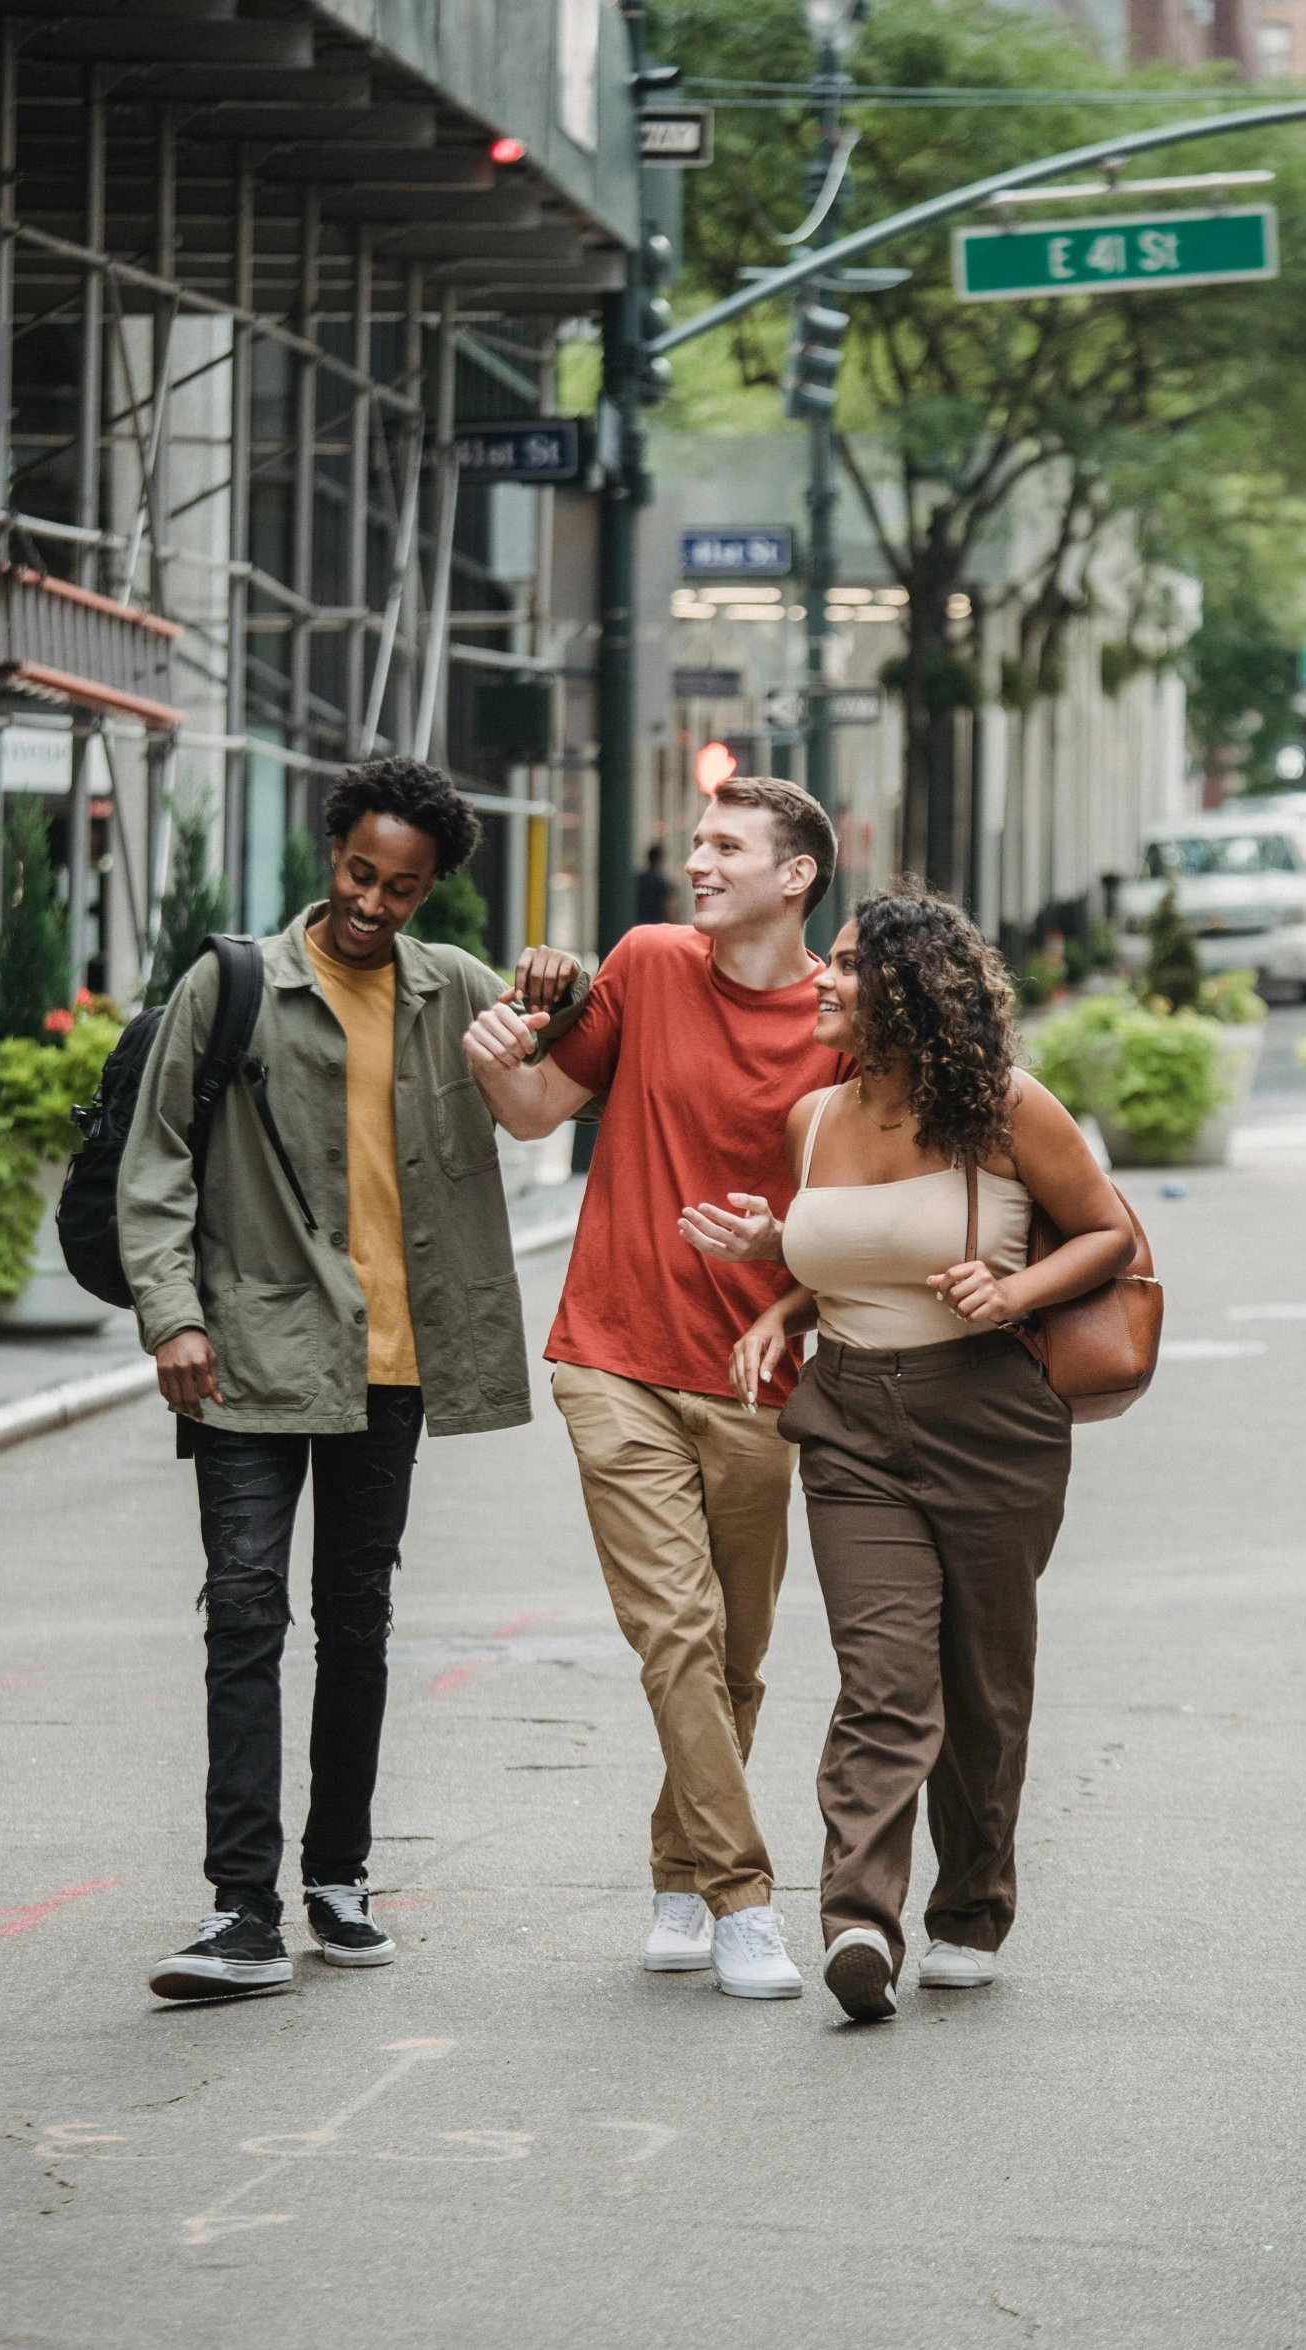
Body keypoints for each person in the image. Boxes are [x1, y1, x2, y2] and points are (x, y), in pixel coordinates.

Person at [119, 755, 586, 2001]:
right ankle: (240, 1908)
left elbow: (570, 1061)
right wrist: (171, 1317)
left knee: (358, 1623)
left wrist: (565, 977)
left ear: (434, 889)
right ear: (331, 853)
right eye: (359, 873)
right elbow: (157, 1163)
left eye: (404, 885)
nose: (375, 902)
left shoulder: (455, 995)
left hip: (395, 1362)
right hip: (250, 1354)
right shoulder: (231, 986)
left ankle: (338, 1875)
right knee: (245, 1611)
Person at [461, 778, 849, 1999]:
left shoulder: (844, 1020)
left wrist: (778, 1252)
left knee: (732, 1652)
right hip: (614, 1352)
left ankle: (677, 1873)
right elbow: (536, 1111)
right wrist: (491, 1057)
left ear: (795, 877)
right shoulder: (645, 961)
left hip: (758, 1373)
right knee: (671, 1630)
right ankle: (744, 1900)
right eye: (695, 839)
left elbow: (866, 1216)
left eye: (726, 846)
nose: (696, 859)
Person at [719, 885, 1135, 2023]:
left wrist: (1011, 1288)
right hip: (850, 1420)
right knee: (884, 1677)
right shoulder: (813, 1119)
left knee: (983, 1683)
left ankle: (970, 1908)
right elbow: (851, 1257)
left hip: (989, 1417)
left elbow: (1107, 1231)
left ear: (908, 989)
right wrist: (783, 1310)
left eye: (849, 964)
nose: (824, 977)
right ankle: (858, 1918)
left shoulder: (1002, 1110)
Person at [634, 840, 676, 926]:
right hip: (656, 926)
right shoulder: (662, 882)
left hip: (637, 924)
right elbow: (668, 908)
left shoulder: (637, 879)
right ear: (660, 860)